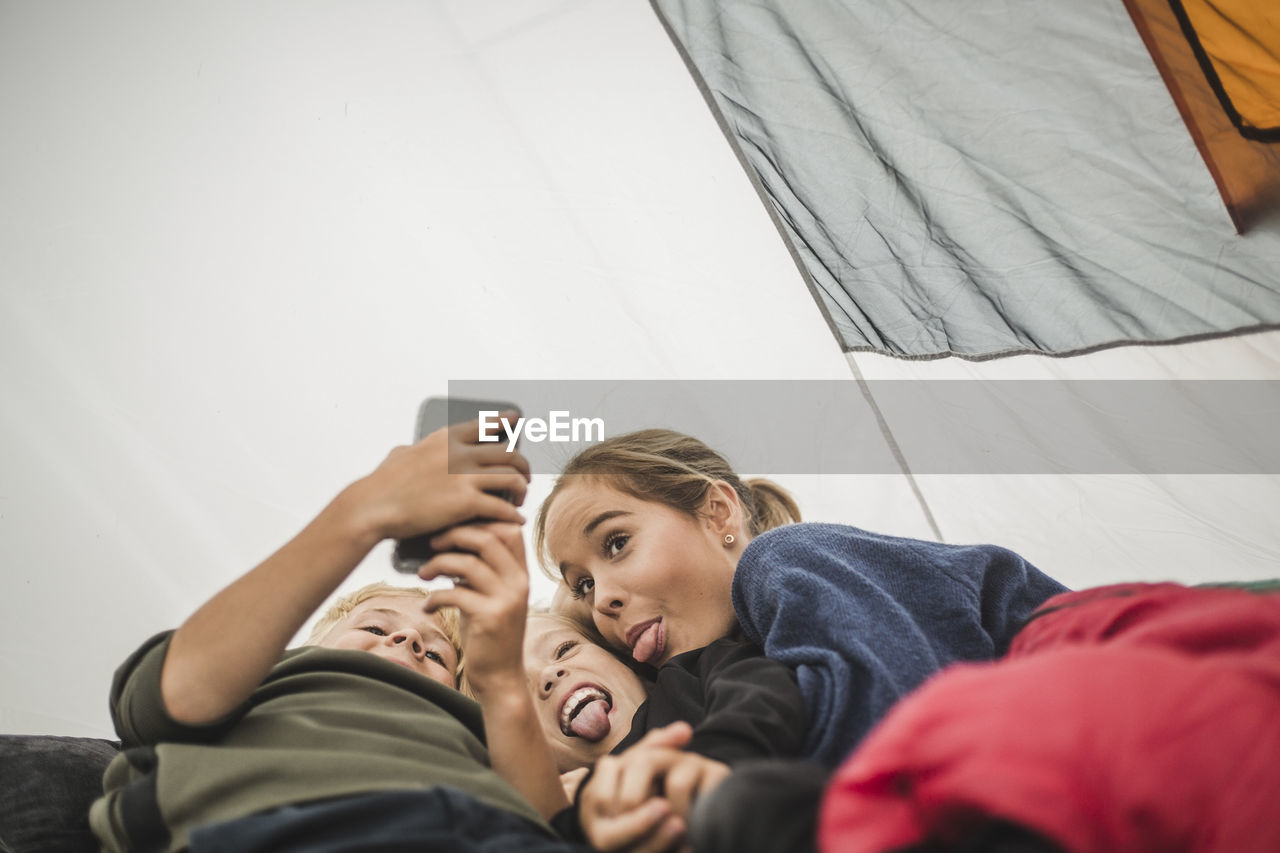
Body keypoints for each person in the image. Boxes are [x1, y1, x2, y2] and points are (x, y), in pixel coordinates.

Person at [89, 418, 584, 853]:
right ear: (302, 644)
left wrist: (498, 678)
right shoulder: (260, 676)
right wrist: (365, 510)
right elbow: (168, 697)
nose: (409, 641)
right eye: (375, 626)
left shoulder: (481, 729)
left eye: (435, 652)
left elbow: (549, 828)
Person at [535, 428, 1069, 768]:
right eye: (583, 584)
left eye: (617, 543)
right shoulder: (726, 669)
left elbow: (890, 740)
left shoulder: (788, 557)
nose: (600, 598)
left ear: (719, 514)